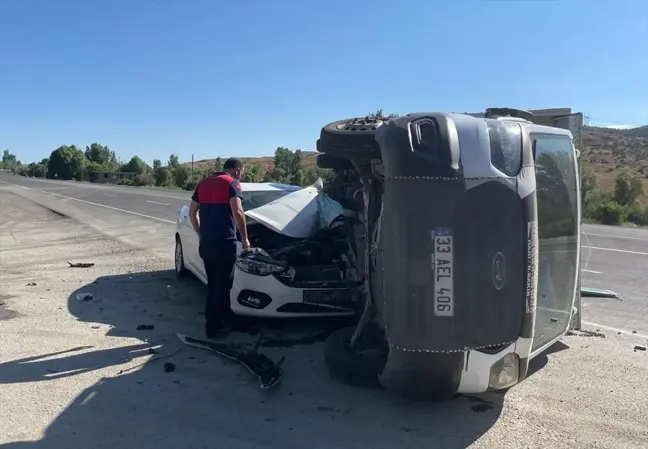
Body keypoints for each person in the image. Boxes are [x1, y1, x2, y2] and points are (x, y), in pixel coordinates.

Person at [188, 157, 250, 339]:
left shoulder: (203, 183)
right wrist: (245, 238)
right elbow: (238, 212)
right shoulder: (232, 183)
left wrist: (200, 233)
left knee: (215, 284)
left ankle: (224, 321)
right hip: (225, 242)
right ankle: (213, 328)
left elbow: (192, 211)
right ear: (237, 170)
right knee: (221, 286)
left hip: (207, 243)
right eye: (242, 173)